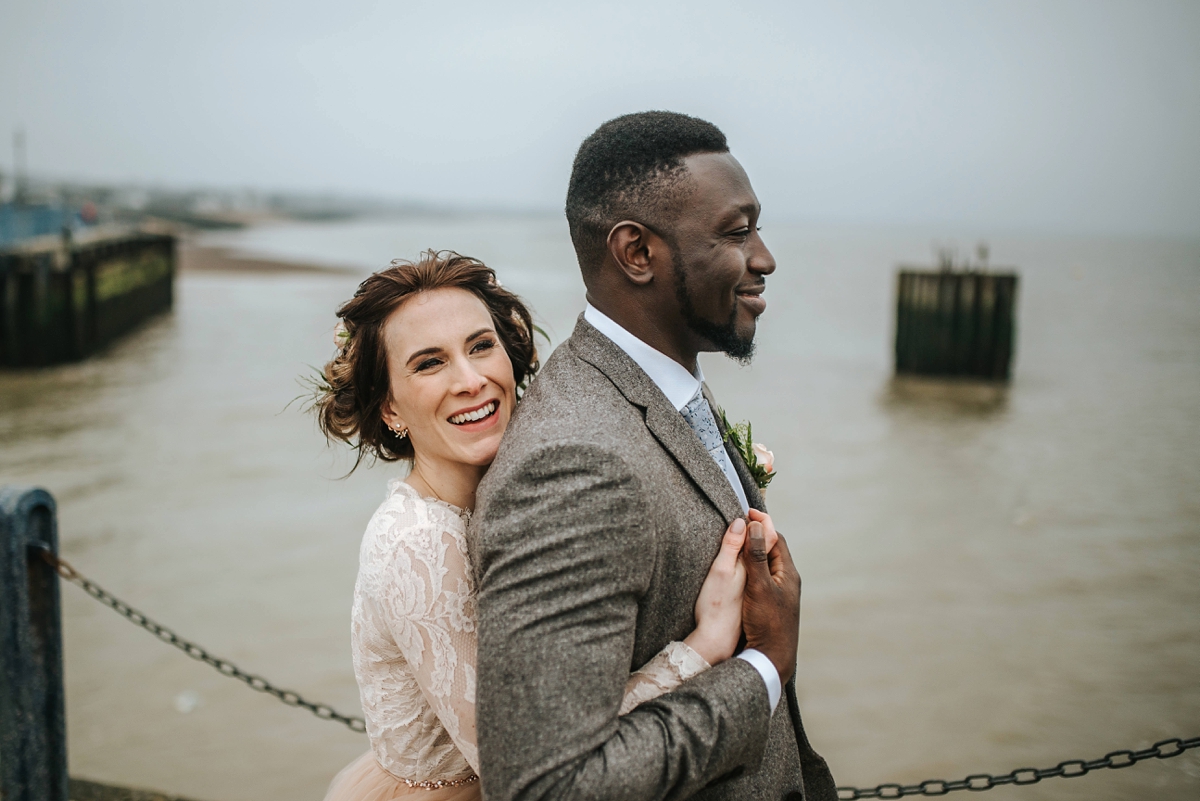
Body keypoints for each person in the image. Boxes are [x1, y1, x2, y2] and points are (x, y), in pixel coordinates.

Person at [469, 111, 838, 800]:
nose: (764, 257)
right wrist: (764, 666)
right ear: (636, 252)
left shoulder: (661, 390)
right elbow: (547, 786)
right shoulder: (575, 464)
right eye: (736, 231)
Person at [313, 250, 769, 801]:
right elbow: (518, 752)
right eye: (429, 363)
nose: (471, 380)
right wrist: (704, 646)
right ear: (389, 408)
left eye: (481, 346)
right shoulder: (417, 544)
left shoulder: (519, 499)